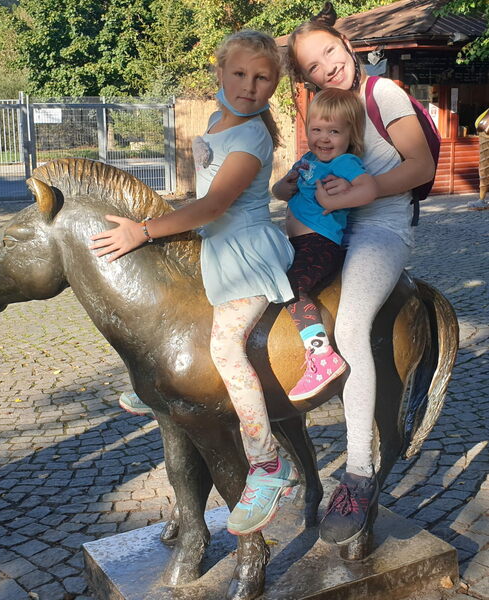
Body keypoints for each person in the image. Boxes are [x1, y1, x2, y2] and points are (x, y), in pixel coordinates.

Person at [90, 30, 299, 536]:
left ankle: (268, 464)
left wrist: (143, 230)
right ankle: (160, 385)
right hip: (215, 247)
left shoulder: (252, 136)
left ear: (275, 85)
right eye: (240, 73)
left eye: (262, 78)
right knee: (176, 308)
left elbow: (214, 205)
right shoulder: (215, 121)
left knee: (226, 346)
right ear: (220, 72)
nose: (249, 85)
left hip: (245, 253)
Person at [282, 5, 435, 548]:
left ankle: (358, 473)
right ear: (307, 79)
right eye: (313, 66)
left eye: (329, 51)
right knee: (268, 285)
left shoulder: (382, 94)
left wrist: (364, 190)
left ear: (346, 44)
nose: (327, 66)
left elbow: (421, 165)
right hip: (334, 227)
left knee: (348, 327)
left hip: (381, 227)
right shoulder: (329, 111)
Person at [272, 87, 377, 401]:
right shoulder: (306, 160)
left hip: (321, 243)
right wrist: (287, 183)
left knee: (292, 288)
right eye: (317, 130)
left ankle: (322, 357)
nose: (324, 138)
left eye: (334, 131)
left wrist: (334, 201)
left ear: (350, 134)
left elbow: (369, 189)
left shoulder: (344, 162)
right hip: (297, 243)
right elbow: (278, 193)